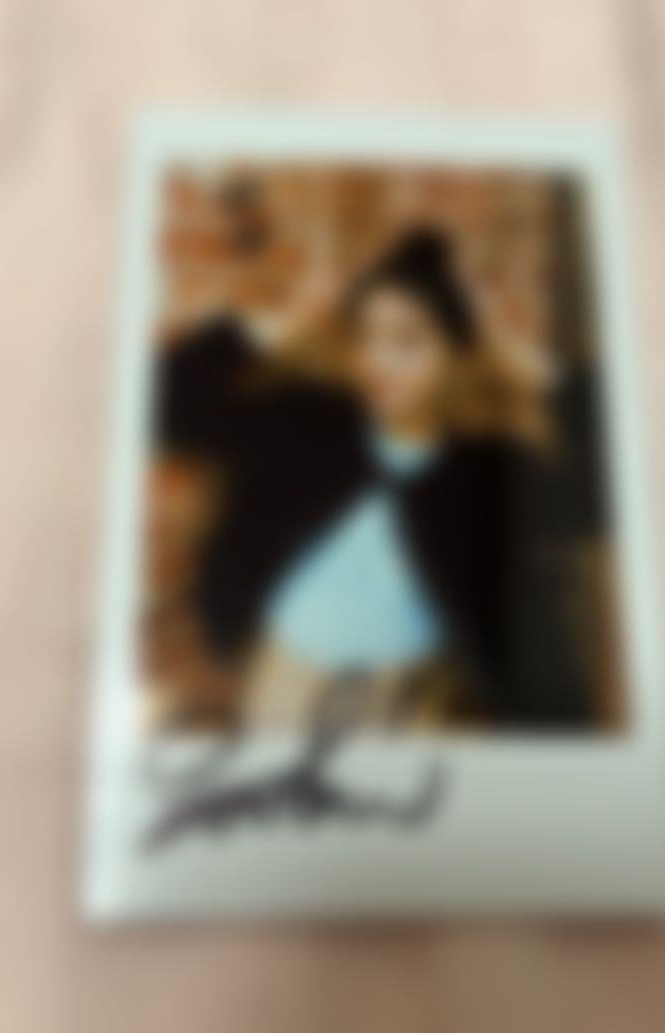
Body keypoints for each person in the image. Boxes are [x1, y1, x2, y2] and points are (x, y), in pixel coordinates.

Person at [156, 227, 588, 730]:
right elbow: (164, 409)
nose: (378, 360)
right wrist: (274, 322)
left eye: (407, 341)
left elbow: (609, 482)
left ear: (454, 351)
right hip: (290, 675)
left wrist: (520, 355)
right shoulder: (307, 422)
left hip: (413, 693)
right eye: (366, 335)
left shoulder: (486, 467)